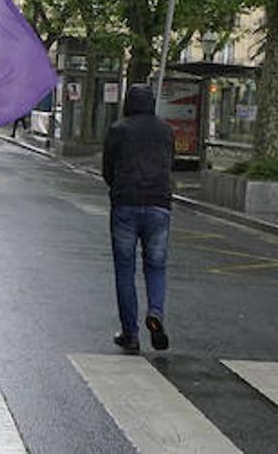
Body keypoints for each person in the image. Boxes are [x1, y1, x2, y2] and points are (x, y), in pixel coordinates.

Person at [102, 84, 173, 353]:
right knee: (156, 266)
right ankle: (155, 312)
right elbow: (170, 163)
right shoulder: (165, 130)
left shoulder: (118, 129)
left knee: (125, 270)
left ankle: (130, 334)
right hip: (159, 204)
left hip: (126, 203)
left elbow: (108, 169)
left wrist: (118, 187)